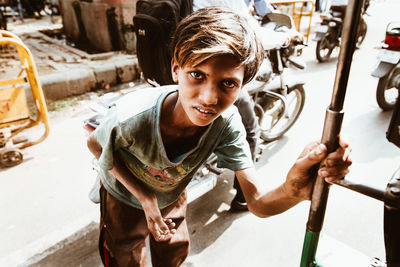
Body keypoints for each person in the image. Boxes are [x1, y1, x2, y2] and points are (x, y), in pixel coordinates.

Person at [87, 6, 352, 267]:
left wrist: (293, 190)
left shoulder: (226, 125)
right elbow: (96, 145)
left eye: (228, 83)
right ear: (176, 69)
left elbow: (258, 202)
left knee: (173, 252)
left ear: (242, 87)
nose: (209, 98)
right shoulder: (132, 117)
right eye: (197, 75)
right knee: (125, 254)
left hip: (171, 194)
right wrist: (146, 199)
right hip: (122, 196)